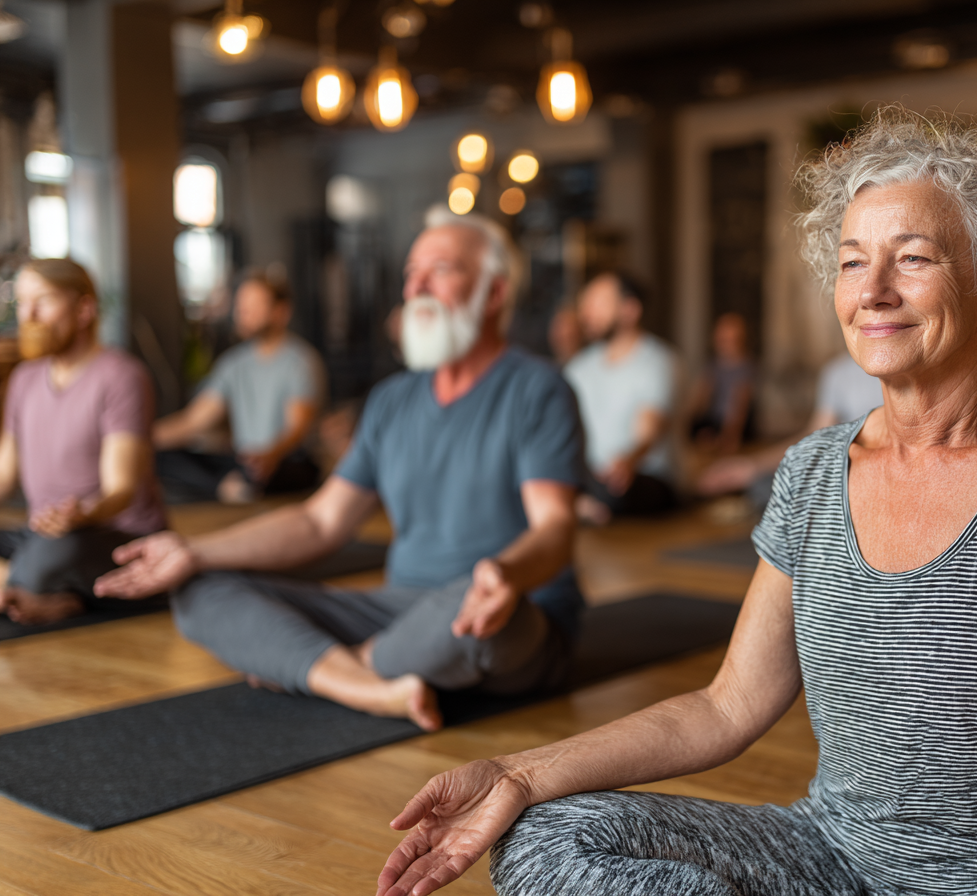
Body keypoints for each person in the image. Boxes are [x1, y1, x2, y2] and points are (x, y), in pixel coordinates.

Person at [375, 108, 977, 896]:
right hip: (831, 858)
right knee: (549, 834)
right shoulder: (813, 471)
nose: (874, 293)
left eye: (913, 258)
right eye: (853, 264)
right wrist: (517, 773)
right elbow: (727, 707)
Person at [95, 218, 586, 731]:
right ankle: (369, 685)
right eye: (411, 272)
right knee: (199, 590)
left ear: (494, 293)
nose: (416, 287)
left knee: (478, 622)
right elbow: (320, 523)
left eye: (440, 271)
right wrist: (193, 552)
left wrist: (505, 573)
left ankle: (326, 666)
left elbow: (555, 528)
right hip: (396, 609)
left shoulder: (539, 389)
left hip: (504, 611)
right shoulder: (391, 400)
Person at [0, 259, 165, 624]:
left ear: (84, 309)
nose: (29, 315)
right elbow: (4, 474)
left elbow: (120, 490)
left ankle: (28, 587)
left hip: (112, 535)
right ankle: (31, 592)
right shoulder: (24, 379)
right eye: (22, 303)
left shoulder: (121, 376)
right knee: (39, 552)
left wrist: (81, 513)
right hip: (41, 534)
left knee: (53, 554)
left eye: (42, 301)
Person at [153, 272, 325, 504]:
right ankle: (227, 488)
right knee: (160, 458)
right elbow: (194, 420)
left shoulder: (300, 361)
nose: (243, 314)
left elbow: (297, 429)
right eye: (241, 306)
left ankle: (235, 486)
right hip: (244, 461)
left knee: (278, 469)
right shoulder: (233, 363)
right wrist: (139, 438)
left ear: (281, 311)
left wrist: (270, 455)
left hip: (286, 460)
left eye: (253, 306)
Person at [564, 271, 678, 522]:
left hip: (642, 477)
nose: (586, 313)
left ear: (630, 309)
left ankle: (578, 504)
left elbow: (650, 431)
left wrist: (628, 460)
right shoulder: (578, 368)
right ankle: (582, 504)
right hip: (592, 475)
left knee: (615, 491)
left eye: (598, 303)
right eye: (585, 303)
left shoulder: (657, 361)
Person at [695, 350, 882, 499]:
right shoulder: (838, 372)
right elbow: (817, 436)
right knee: (764, 488)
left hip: (881, 480)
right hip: (846, 476)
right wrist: (752, 466)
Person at [687, 312, 756, 454]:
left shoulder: (745, 368)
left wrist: (729, 436)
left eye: (729, 340)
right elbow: (699, 401)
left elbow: (740, 406)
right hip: (714, 421)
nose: (725, 345)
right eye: (722, 340)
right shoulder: (712, 367)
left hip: (736, 425)